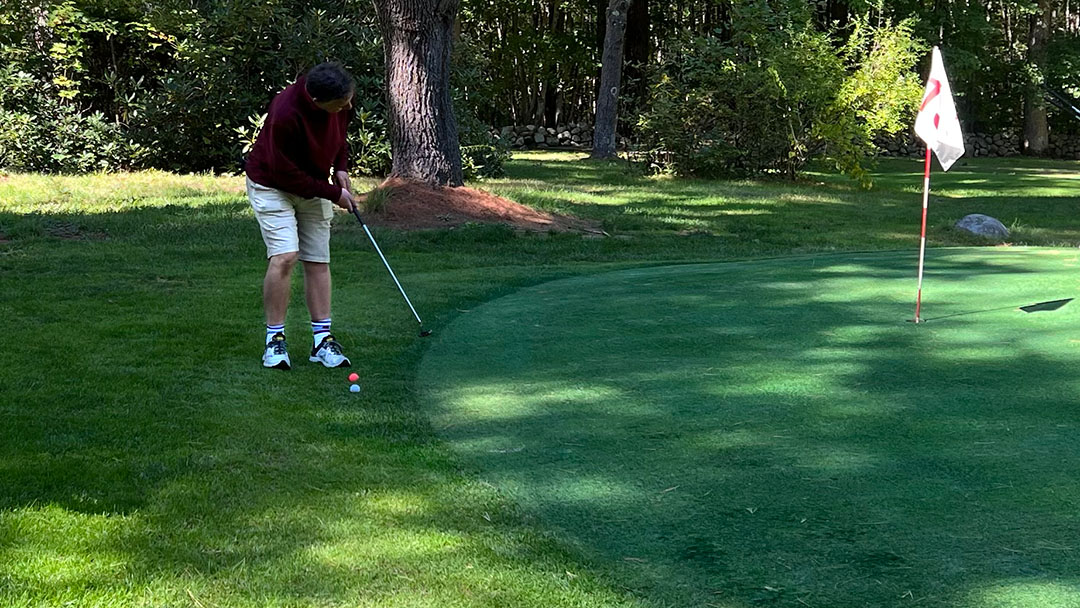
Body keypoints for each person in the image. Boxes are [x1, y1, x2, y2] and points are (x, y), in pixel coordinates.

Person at [244, 61, 362, 370]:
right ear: (316, 101)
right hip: (272, 184)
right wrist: (335, 194)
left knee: (318, 259)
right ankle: (274, 340)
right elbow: (287, 177)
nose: (348, 106)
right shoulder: (285, 113)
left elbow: (340, 133)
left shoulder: (340, 97)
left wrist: (340, 167)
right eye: (341, 104)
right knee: (285, 256)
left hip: (313, 182)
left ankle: (321, 341)